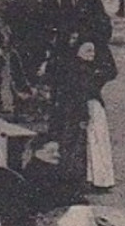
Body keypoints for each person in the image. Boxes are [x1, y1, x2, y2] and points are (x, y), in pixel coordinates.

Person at [46, 37, 118, 189]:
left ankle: (95, 177)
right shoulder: (80, 70)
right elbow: (81, 93)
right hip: (87, 109)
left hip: (92, 108)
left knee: (94, 143)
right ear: (78, 52)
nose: (92, 54)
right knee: (93, 143)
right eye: (88, 51)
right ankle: (96, 178)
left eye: (93, 51)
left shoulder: (84, 68)